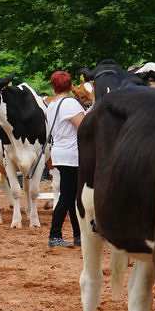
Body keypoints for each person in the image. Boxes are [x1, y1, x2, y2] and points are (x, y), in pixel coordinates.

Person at [43, 70, 86, 248]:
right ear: (70, 85)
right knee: (68, 196)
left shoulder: (52, 104)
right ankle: (55, 234)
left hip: (60, 152)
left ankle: (78, 235)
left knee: (71, 195)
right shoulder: (70, 104)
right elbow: (84, 127)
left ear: (53, 86)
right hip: (72, 154)